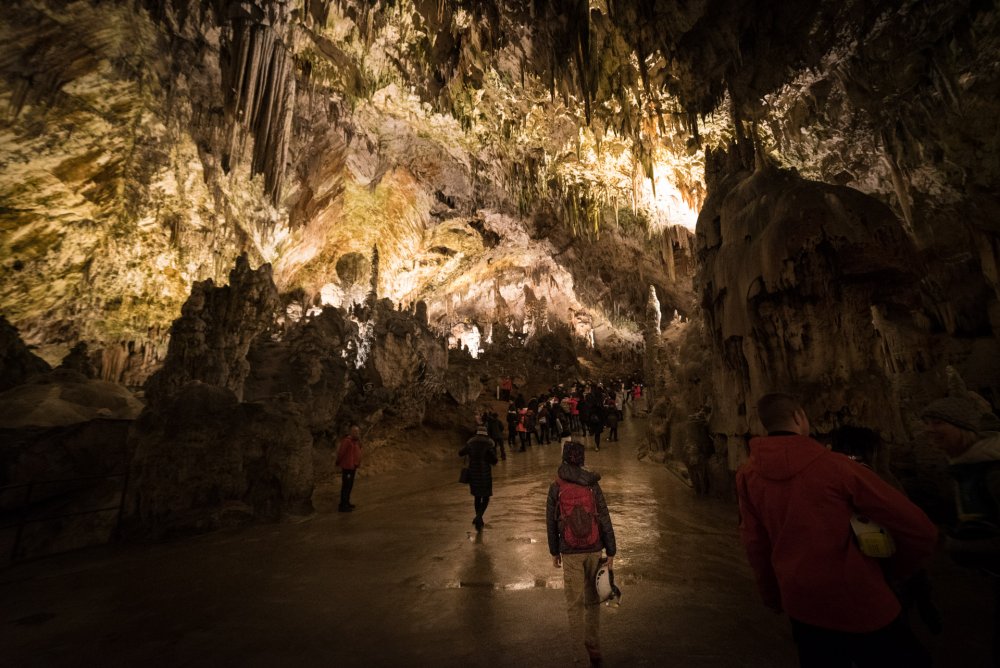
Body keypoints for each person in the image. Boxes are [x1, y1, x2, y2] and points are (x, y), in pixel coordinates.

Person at [737, 393, 937, 667]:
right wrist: (893, 570)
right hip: (860, 599)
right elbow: (919, 529)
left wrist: (772, 595)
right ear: (798, 417)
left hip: (800, 601)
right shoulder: (837, 467)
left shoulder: (748, 476)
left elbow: (755, 543)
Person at [547, 441, 617, 667]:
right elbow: (604, 517)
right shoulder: (592, 484)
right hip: (594, 548)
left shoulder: (556, 486)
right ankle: (594, 649)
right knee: (592, 601)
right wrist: (611, 551)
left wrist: (554, 551)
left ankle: (578, 656)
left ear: (565, 458)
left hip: (570, 551)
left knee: (574, 604)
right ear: (582, 458)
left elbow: (550, 521)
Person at [459, 422, 498, 531]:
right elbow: (494, 460)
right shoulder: (489, 443)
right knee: (486, 497)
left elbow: (460, 453)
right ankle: (479, 517)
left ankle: (478, 520)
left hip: (473, 473)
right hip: (485, 473)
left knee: (477, 497)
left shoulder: (470, 443)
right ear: (485, 433)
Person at [336, 424, 363, 512]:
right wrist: (338, 462)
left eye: (358, 431)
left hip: (353, 467)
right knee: (346, 486)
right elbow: (341, 452)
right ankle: (343, 506)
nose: (357, 433)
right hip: (347, 467)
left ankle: (346, 502)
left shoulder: (355, 441)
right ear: (351, 432)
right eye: (355, 431)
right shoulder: (347, 441)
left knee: (350, 485)